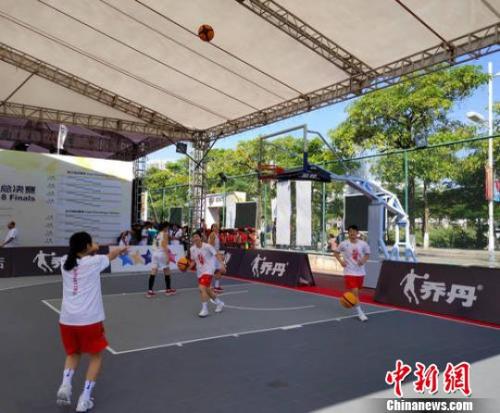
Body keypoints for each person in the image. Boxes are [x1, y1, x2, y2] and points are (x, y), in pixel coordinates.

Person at [56, 232, 127, 412]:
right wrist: (120, 249)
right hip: (89, 319)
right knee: (95, 357)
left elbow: (81, 255)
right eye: (92, 242)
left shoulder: (64, 262)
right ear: (87, 246)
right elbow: (112, 255)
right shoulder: (95, 262)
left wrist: (91, 247)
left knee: (73, 353)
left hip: (67, 319)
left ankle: (66, 384)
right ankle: (84, 399)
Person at [333, 225, 370, 322]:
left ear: (357, 233)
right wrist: (341, 262)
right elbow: (336, 253)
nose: (352, 233)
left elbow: (367, 254)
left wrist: (363, 260)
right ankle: (360, 313)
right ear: (348, 233)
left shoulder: (363, 244)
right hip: (349, 271)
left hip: (360, 272)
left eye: (354, 231)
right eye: (350, 231)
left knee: (356, 292)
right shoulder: (343, 244)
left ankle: (352, 302)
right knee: (355, 291)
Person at [189, 231, 225, 317]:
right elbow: (193, 261)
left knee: (202, 288)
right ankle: (219, 303)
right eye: (194, 237)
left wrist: (222, 265)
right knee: (207, 290)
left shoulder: (207, 246)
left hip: (209, 270)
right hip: (200, 272)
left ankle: (205, 310)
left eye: (197, 236)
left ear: (200, 237)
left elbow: (217, 255)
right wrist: (188, 267)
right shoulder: (192, 249)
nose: (195, 238)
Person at [147, 224, 176, 297]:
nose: (168, 229)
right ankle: (168, 290)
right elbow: (164, 245)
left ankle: (150, 291)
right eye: (168, 228)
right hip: (161, 253)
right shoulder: (165, 234)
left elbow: (155, 244)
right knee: (167, 271)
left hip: (154, 253)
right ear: (165, 228)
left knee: (153, 271)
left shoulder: (156, 234)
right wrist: (167, 256)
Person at [208, 224, 225, 293]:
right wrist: (218, 254)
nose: (216, 228)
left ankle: (216, 286)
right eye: (214, 227)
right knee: (211, 271)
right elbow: (211, 246)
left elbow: (216, 247)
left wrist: (219, 254)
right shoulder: (212, 235)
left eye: (216, 227)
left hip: (216, 255)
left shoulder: (217, 235)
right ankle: (208, 286)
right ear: (212, 228)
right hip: (213, 256)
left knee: (219, 270)